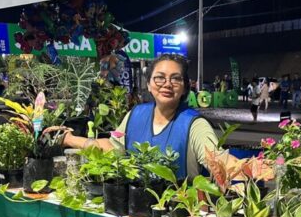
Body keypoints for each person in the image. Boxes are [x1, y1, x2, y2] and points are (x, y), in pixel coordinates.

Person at [56, 53, 219, 179]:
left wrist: (239, 168)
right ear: (148, 84)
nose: (167, 84)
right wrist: (69, 139)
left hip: (177, 215)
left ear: (185, 88)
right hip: (135, 209)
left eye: (175, 79)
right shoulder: (136, 114)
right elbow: (113, 148)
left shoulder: (194, 124)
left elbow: (219, 162)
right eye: (159, 78)